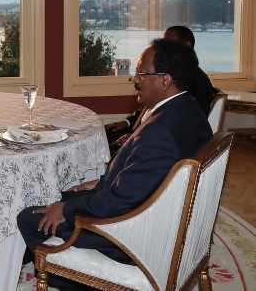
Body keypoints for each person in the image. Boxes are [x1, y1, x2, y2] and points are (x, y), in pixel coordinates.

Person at [18, 38, 213, 291]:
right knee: (59, 195)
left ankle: (70, 277)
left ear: (165, 80)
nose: (135, 80)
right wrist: (102, 182)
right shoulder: (191, 111)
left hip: (131, 236)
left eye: (141, 73)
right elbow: (151, 176)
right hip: (162, 218)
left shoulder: (160, 131)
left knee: (30, 216)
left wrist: (66, 210)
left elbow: (118, 203)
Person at [106, 25, 217, 153]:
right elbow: (147, 110)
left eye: (140, 74)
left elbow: (182, 127)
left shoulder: (194, 82)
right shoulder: (161, 80)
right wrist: (127, 122)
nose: (134, 79)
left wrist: (136, 137)